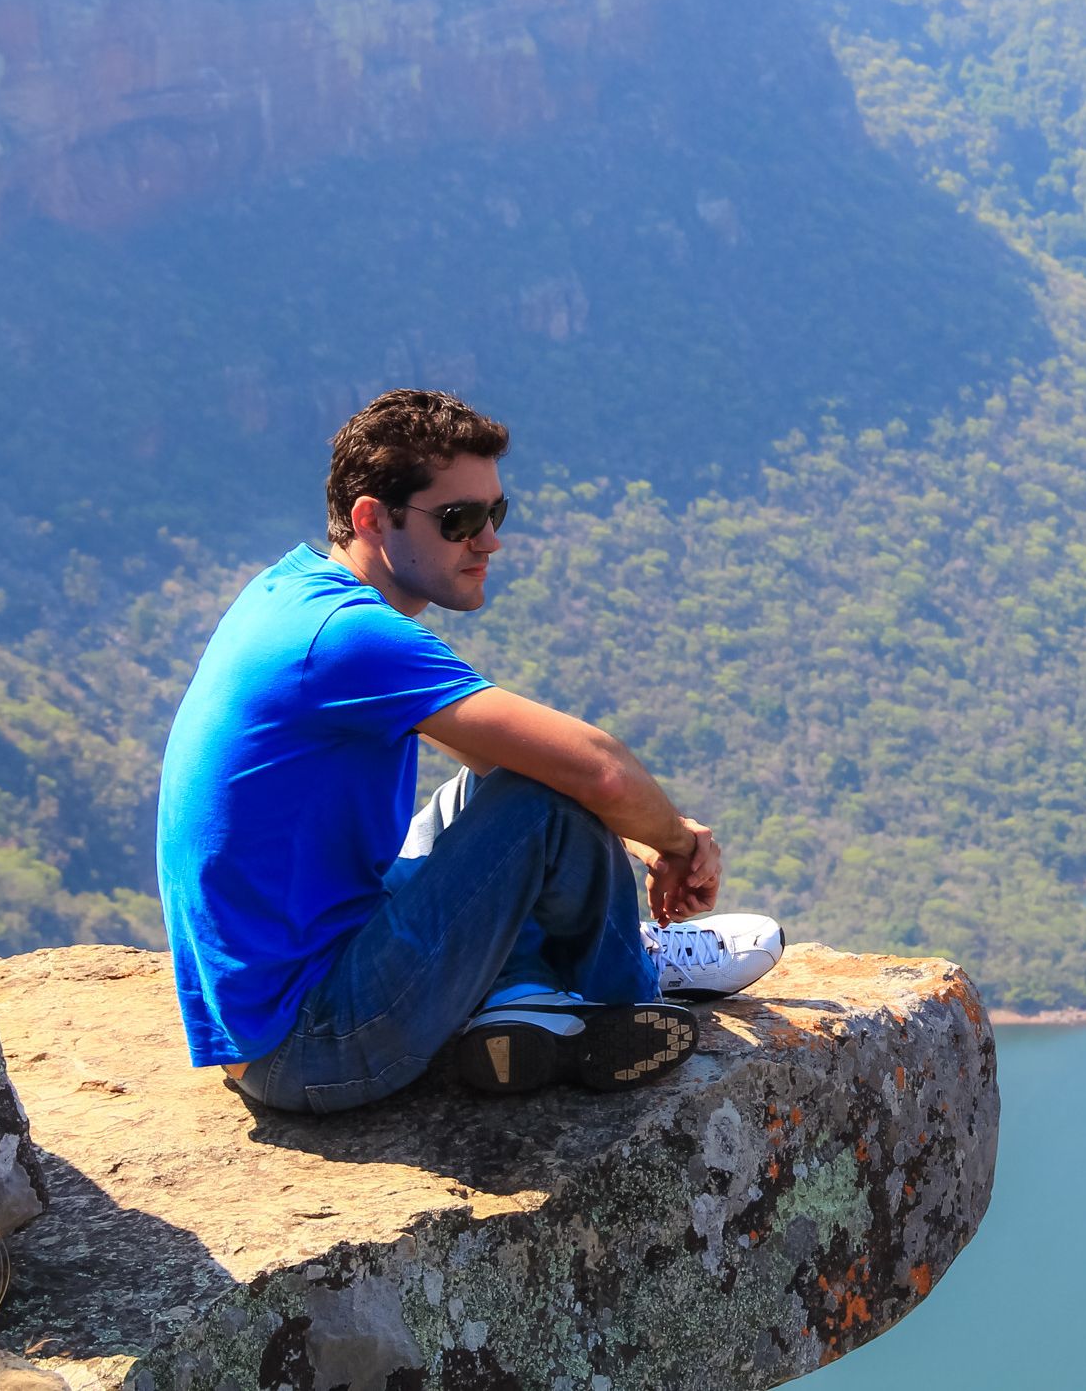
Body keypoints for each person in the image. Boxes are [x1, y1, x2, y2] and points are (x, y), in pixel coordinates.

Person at [157, 389, 782, 1113]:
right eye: (459, 520)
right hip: (311, 1042)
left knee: (508, 789)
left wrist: (638, 849)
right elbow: (597, 767)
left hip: (274, 1013)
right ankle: (621, 982)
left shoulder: (291, 594)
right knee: (545, 798)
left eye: (496, 513)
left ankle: (525, 998)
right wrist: (676, 840)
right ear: (371, 518)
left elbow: (515, 761)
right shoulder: (347, 638)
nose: (489, 540)